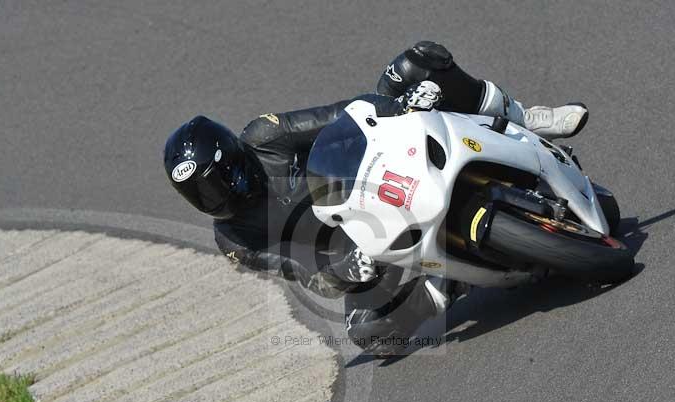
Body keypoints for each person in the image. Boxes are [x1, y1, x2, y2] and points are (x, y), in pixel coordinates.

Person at [163, 41, 588, 357]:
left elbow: (342, 112)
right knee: (368, 333)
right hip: (364, 246)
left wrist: (397, 106)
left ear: (231, 158)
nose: (214, 198)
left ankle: (524, 117)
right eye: (200, 195)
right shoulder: (234, 239)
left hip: (376, 171)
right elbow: (302, 273)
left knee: (416, 61)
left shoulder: (265, 137)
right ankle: (447, 283)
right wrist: (343, 272)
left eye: (214, 183)